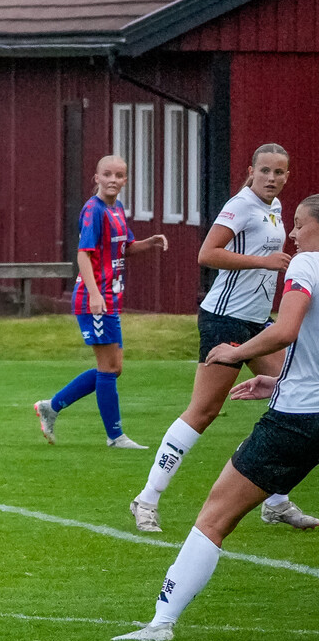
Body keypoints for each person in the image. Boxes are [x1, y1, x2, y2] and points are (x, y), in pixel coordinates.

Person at [114, 195, 319, 641]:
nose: (292, 234)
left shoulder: (306, 266)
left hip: (297, 419)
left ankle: (161, 622)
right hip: (299, 399)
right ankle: (275, 504)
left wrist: (235, 352)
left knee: (214, 517)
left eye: (300, 225)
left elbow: (285, 331)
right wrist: (276, 379)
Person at [130, 144, 317, 532]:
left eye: (279, 172)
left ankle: (276, 501)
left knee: (292, 400)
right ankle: (146, 499)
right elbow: (207, 254)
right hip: (225, 319)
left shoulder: (276, 207)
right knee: (204, 411)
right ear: (251, 171)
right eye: (264, 170)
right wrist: (263, 261)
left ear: (287, 176)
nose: (271, 178)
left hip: (257, 321)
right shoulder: (241, 205)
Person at [34, 155, 168, 448]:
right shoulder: (93, 210)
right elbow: (84, 254)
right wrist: (95, 294)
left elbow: (125, 247)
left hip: (110, 297)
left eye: (119, 175)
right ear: (96, 178)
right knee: (107, 368)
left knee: (114, 368)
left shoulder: (116, 208)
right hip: (95, 298)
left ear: (125, 180)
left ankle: (51, 406)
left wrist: (150, 242)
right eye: (107, 174)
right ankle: (115, 436)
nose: (112, 180)